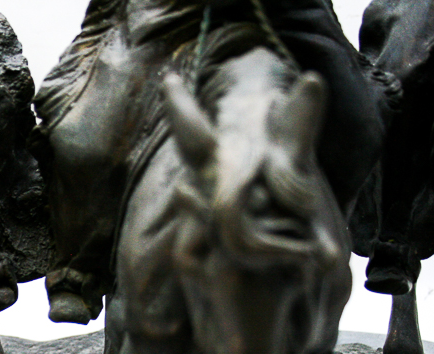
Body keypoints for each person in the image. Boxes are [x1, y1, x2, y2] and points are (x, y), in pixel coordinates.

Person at [33, 0, 390, 323]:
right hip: (164, 12)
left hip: (285, 11)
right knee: (82, 142)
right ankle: (79, 265)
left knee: (361, 122)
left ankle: (342, 239)